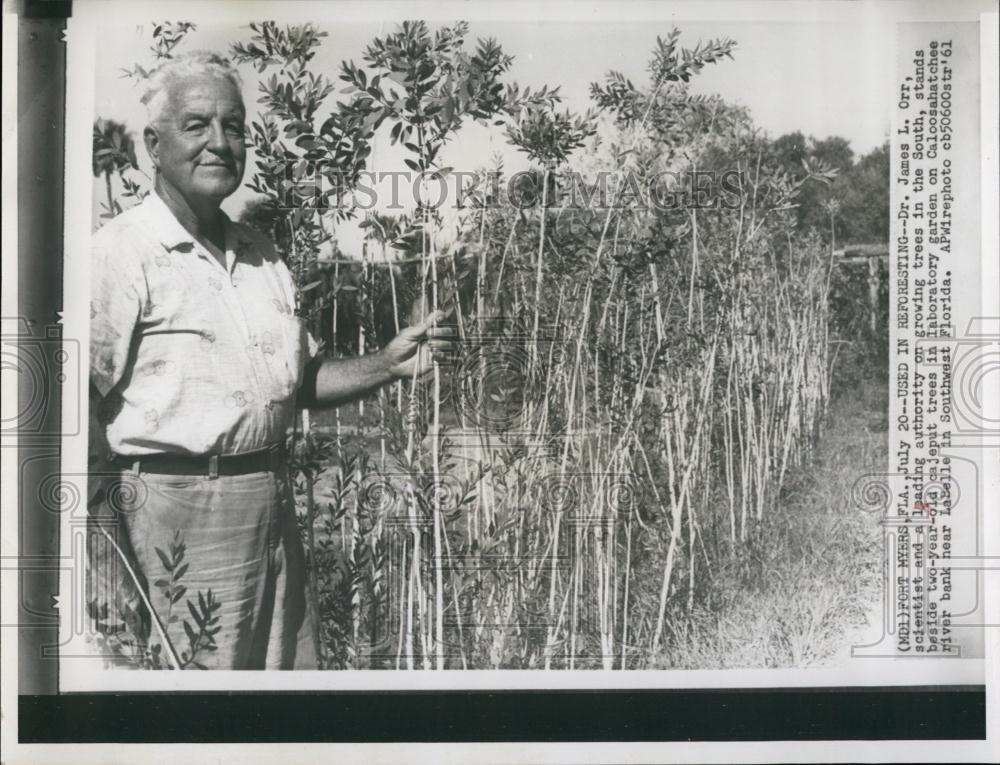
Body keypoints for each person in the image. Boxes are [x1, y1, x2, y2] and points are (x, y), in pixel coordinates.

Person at [87, 52, 454, 669]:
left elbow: (297, 381)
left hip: (270, 506)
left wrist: (387, 365)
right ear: (154, 142)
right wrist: (101, 556)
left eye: (234, 127)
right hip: (170, 512)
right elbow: (70, 412)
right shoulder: (121, 254)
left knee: (277, 699)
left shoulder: (261, 255)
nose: (220, 144)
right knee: (188, 714)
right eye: (197, 125)